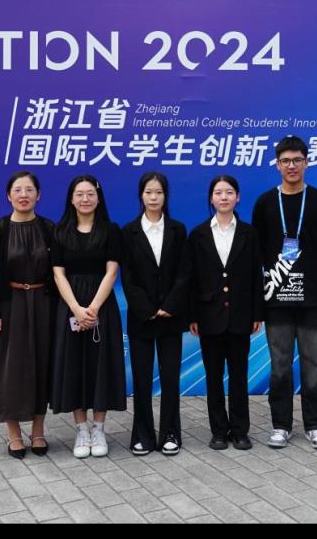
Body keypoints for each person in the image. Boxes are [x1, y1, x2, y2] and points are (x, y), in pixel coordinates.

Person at [252, 135, 317, 450]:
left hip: (312, 298)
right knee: (280, 365)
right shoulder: (264, 202)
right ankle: (281, 425)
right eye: (285, 161)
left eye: (297, 160)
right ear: (277, 165)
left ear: (307, 162)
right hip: (276, 299)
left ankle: (315, 425)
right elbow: (257, 252)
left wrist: (313, 270)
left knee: (313, 364)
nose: (291, 166)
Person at [0, 171, 56, 458]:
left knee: (41, 365)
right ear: (9, 196)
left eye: (29, 189)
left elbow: (58, 272)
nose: (24, 195)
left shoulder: (49, 228)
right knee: (10, 370)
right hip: (10, 305)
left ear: (38, 195)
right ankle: (14, 434)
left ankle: (38, 431)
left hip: (43, 304)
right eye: (18, 190)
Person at [50, 175, 127, 459]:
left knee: (100, 365)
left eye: (90, 194)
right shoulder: (60, 231)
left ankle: (99, 429)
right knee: (74, 364)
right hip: (70, 305)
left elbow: (112, 272)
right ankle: (81, 429)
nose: (85, 199)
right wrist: (76, 309)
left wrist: (92, 308)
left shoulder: (110, 230)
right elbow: (58, 274)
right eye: (79, 194)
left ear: (98, 197)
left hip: (101, 304)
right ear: (71, 199)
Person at [187, 175, 264, 450]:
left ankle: (240, 430)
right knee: (214, 376)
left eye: (229, 192)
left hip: (241, 315)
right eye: (218, 193)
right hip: (209, 315)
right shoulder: (198, 234)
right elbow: (192, 278)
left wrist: (257, 313)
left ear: (238, 197)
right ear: (211, 198)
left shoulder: (249, 233)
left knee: (239, 375)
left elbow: (256, 275)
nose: (223, 197)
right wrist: (192, 316)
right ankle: (219, 430)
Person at [120, 172, 189, 456]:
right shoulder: (129, 232)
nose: (153, 197)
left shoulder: (178, 230)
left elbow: (184, 273)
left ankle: (171, 433)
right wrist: (146, 308)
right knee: (142, 378)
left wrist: (169, 305)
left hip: (171, 316)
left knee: (170, 378)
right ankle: (143, 435)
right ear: (141, 195)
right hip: (142, 318)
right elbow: (127, 276)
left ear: (165, 196)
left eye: (158, 192)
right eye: (149, 192)